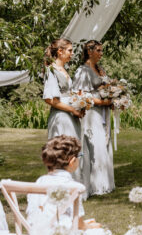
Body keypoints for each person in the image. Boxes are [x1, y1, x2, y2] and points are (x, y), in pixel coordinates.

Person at [73, 40, 114, 197]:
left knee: (104, 144)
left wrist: (114, 97)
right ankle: (94, 185)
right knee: (94, 146)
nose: (101, 53)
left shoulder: (101, 70)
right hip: (91, 113)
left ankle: (105, 183)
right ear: (89, 51)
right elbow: (80, 94)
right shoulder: (82, 71)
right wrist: (101, 101)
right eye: (98, 50)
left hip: (103, 112)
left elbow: (107, 88)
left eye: (102, 50)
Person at [43, 38, 83, 140]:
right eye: (70, 50)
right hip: (61, 117)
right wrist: (72, 110)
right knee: (63, 149)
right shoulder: (51, 70)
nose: (72, 53)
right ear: (60, 51)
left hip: (70, 116)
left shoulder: (63, 69)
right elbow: (49, 99)